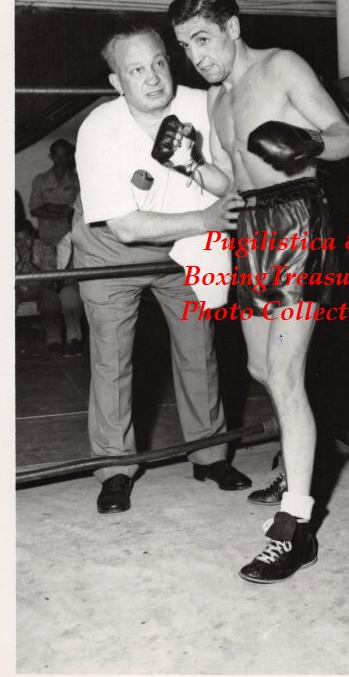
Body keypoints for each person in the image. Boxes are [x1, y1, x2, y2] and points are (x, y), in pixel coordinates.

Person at [168, 0, 349, 583]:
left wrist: (309, 143)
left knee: (284, 373)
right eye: (186, 47)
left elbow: (348, 138)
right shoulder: (217, 99)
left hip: (299, 217)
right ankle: (297, 457)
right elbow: (232, 179)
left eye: (203, 39)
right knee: (260, 366)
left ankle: (296, 524)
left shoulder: (281, 67)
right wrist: (192, 166)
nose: (197, 56)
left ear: (232, 26)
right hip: (250, 227)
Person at [71, 26, 251, 514]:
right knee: (112, 359)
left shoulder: (200, 103)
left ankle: (210, 456)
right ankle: (115, 468)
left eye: (158, 63)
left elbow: (229, 177)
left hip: (184, 245)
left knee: (199, 350)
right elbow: (126, 227)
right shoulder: (99, 128)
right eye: (136, 70)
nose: (152, 78)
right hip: (111, 250)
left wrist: (206, 194)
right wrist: (206, 219)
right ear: (117, 82)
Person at [15, 220, 83, 357]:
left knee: (50, 297)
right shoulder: (3, 250)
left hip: (40, 288)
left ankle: (54, 342)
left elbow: (49, 283)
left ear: (33, 236)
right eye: (18, 240)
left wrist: (30, 265)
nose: (23, 244)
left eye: (26, 239)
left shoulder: (45, 248)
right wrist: (19, 264)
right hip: (15, 290)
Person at [29, 138, 80, 247]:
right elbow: (34, 210)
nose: (60, 159)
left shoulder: (77, 180)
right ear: (51, 156)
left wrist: (49, 206)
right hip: (47, 236)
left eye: (64, 155)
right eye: (57, 155)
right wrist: (63, 214)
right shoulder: (40, 180)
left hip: (71, 235)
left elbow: (78, 208)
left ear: (69, 157)